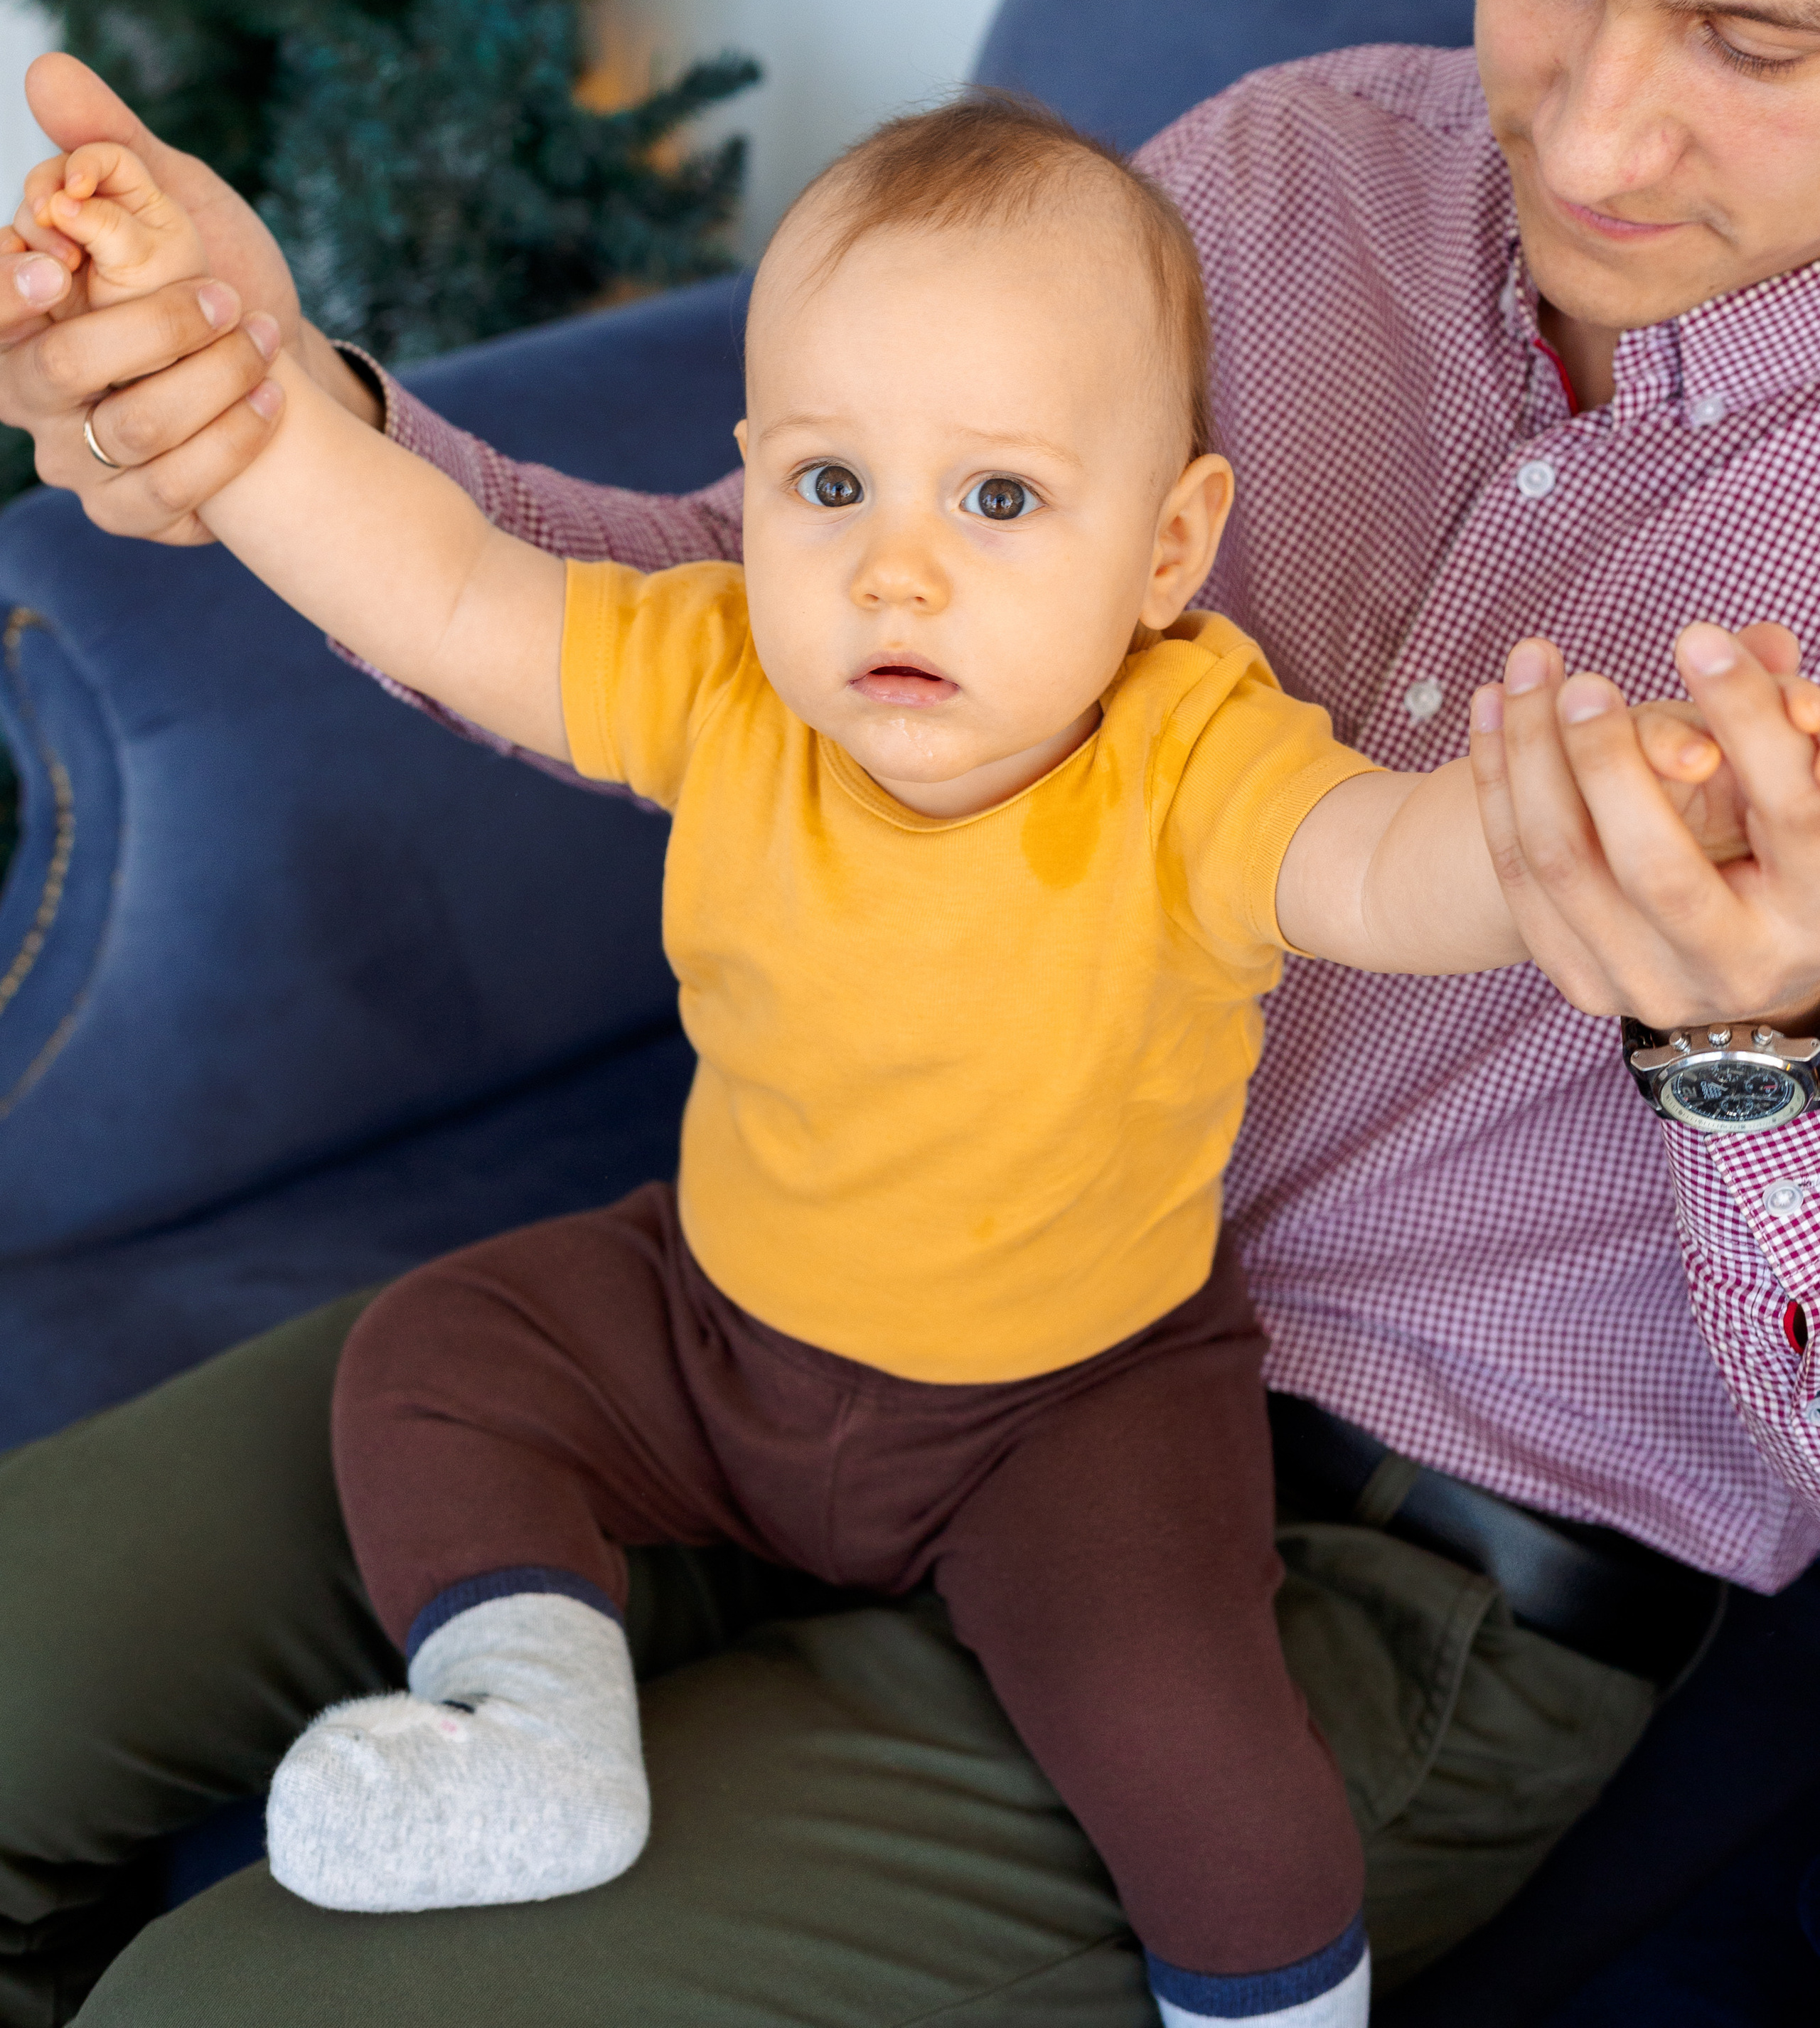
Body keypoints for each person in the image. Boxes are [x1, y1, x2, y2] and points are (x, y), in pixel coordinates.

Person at [9, 0, 1820, 2024]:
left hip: (1371, 1561)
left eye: (1758, 41)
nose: (1580, 134)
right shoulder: (1272, 185)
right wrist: (282, 414)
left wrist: (1754, 1049)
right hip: (796, 1300)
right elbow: (741, 602)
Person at [26, 99, 1755, 2022]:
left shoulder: (1190, 760)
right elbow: (440, 586)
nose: (896, 577)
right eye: (832, 488)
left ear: (1173, 542)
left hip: (1060, 1417)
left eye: (1000, 502)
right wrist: (237, 397)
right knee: (433, 1362)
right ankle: (534, 1721)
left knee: (1191, 1741)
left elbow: (1382, 861)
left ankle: (1271, 1999)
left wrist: (1572, 829)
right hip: (717, 1333)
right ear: (757, 484)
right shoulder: (734, 674)